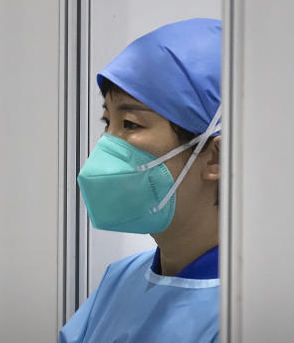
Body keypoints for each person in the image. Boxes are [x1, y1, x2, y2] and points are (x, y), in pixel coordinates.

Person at [60, 18, 222, 343]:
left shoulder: (253, 313)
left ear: (215, 158)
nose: (108, 143)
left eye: (130, 124)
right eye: (108, 121)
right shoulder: (120, 281)